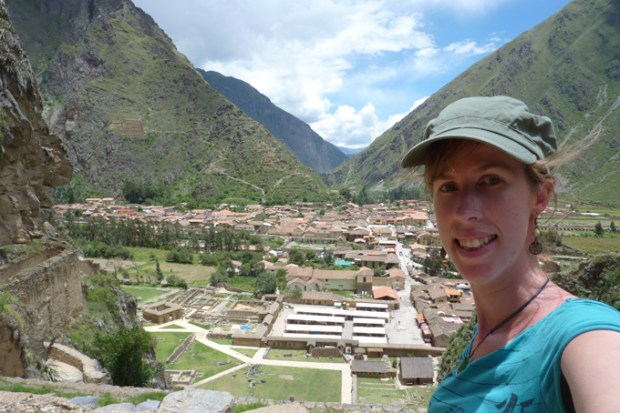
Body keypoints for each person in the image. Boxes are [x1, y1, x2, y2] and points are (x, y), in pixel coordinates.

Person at [400, 96, 620, 412]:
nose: (464, 211)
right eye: (448, 186)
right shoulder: (484, 337)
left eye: (491, 180)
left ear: (541, 195)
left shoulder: (582, 336)